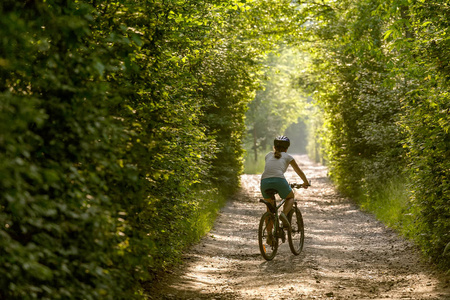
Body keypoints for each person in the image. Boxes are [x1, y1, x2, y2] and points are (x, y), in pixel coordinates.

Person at [260, 135, 310, 246]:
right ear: (287, 148)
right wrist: (305, 182)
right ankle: (283, 214)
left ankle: (269, 236)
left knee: (269, 210)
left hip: (264, 182)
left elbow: (270, 170)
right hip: (279, 180)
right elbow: (299, 172)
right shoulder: (288, 157)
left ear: (274, 146)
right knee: (290, 197)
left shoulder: (268, 155)